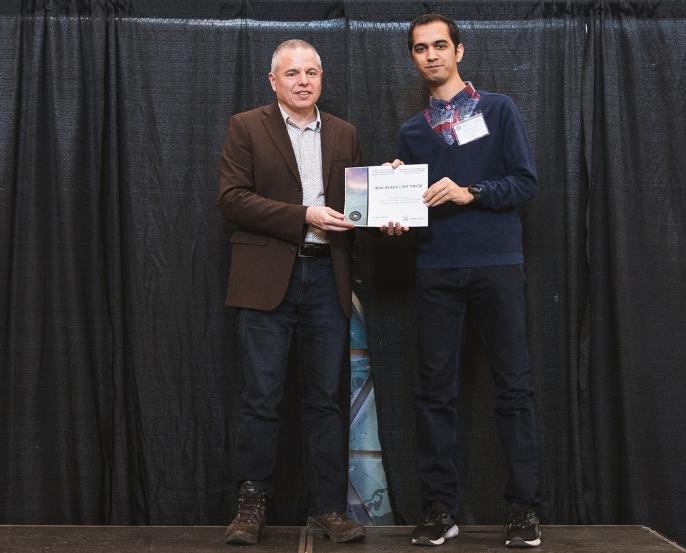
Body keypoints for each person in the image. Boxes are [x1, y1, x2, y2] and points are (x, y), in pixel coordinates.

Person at [382, 13, 542, 548]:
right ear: (413, 58)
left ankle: (523, 508)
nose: (431, 55)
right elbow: (410, 209)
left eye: (439, 45)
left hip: (498, 263)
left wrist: (470, 191)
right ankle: (439, 508)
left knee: (513, 387)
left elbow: (525, 182)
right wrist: (396, 215)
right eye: (420, 48)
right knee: (434, 393)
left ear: (459, 51)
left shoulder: (499, 110)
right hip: (435, 269)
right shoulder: (410, 131)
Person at [217, 39, 365, 546]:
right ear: (273, 81)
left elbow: (357, 208)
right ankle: (252, 504)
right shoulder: (246, 127)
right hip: (265, 282)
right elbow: (232, 200)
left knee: (326, 400)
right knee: (261, 397)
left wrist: (389, 200)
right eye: (293, 74)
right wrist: (303, 215)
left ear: (322, 78)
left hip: (328, 278)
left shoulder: (345, 133)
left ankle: (328, 508)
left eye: (312, 73)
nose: (303, 81)